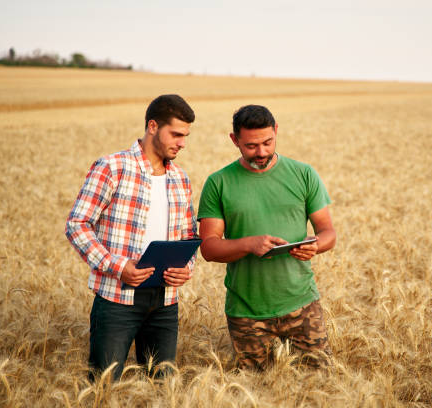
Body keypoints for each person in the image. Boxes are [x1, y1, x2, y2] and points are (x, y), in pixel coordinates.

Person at [65, 94, 198, 381]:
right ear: (152, 126)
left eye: (185, 136)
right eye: (176, 134)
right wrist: (117, 266)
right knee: (103, 385)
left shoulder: (181, 179)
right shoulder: (112, 167)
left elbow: (189, 237)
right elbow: (77, 224)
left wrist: (187, 268)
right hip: (116, 299)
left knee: (163, 388)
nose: (182, 142)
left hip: (165, 301)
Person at [197, 104, 336, 370]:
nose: (261, 152)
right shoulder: (218, 183)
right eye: (251, 146)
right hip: (246, 311)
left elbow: (328, 232)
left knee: (319, 383)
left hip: (302, 304)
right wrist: (249, 244)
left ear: (276, 132)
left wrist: (315, 246)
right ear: (234, 140)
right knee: (254, 388)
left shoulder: (304, 174)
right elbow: (209, 248)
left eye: (268, 142)